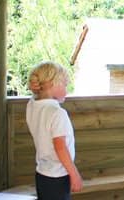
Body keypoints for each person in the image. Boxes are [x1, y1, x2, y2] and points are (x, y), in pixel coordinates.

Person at [26, 61, 83, 200]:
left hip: (42, 174)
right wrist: (74, 174)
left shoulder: (32, 105)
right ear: (52, 84)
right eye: (64, 84)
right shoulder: (57, 113)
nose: (66, 90)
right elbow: (60, 147)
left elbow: (35, 98)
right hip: (58, 177)